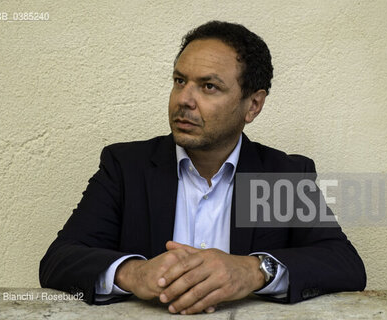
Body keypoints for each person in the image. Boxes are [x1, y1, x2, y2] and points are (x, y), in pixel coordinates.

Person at [40, 20, 366, 315]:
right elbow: (59, 260)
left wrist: (253, 271)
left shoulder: (280, 175)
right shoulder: (127, 167)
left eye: (208, 86)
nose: (184, 99)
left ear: (253, 104)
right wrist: (134, 274)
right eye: (180, 81)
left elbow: (344, 263)